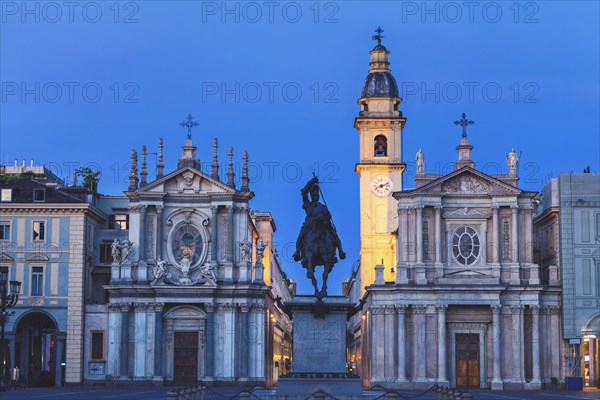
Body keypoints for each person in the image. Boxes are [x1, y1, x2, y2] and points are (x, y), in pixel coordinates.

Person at [293, 176, 345, 298]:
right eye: (313, 193)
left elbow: (328, 217)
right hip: (310, 225)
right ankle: (297, 252)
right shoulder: (308, 205)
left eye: (316, 193)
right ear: (311, 195)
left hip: (323, 225)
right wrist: (312, 181)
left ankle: (341, 251)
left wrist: (326, 218)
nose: (315, 195)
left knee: (334, 235)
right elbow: (303, 191)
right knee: (301, 236)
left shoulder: (323, 207)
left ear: (318, 195)